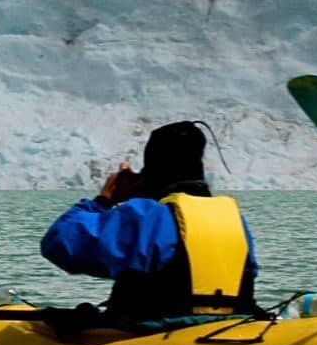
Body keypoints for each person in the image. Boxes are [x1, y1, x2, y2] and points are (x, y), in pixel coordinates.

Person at [40, 121, 259, 320]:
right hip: (230, 325)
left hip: (155, 332)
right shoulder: (234, 219)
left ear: (151, 172)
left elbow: (58, 242)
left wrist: (104, 200)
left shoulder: (146, 215)